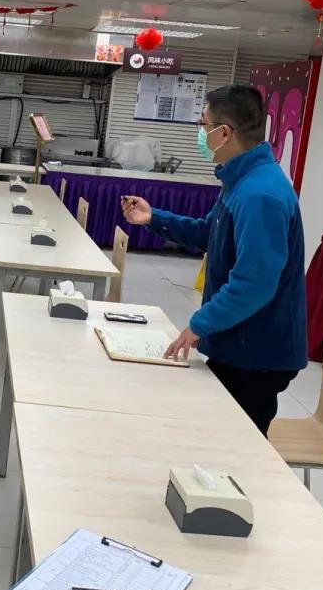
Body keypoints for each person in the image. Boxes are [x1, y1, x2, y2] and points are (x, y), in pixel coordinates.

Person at [122, 84, 307, 436]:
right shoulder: (241, 179)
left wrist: (200, 324)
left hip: (256, 353)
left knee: (236, 445)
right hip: (238, 341)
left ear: (224, 133)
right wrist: (154, 218)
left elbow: (254, 283)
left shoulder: (260, 194)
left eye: (202, 124)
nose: (199, 132)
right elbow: (210, 233)